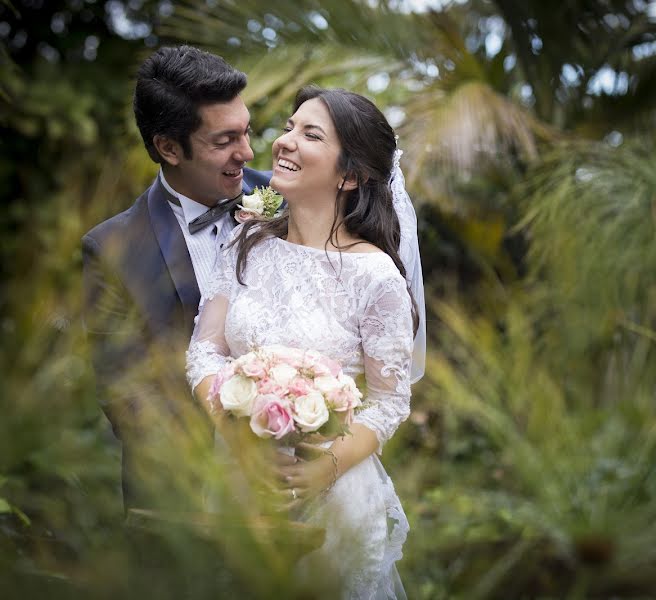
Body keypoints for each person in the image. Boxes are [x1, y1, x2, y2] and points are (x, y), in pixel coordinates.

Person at [186, 86, 417, 599]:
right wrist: (233, 425)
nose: (285, 142)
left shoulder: (375, 277)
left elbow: (389, 402)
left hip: (330, 495)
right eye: (289, 127)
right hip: (236, 481)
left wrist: (325, 469)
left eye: (310, 134)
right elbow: (205, 351)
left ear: (350, 175)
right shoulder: (247, 244)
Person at [82, 45, 270, 511]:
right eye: (224, 141)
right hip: (184, 506)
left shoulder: (287, 198)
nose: (246, 153)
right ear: (168, 147)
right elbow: (127, 394)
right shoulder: (111, 250)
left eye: (246, 132)